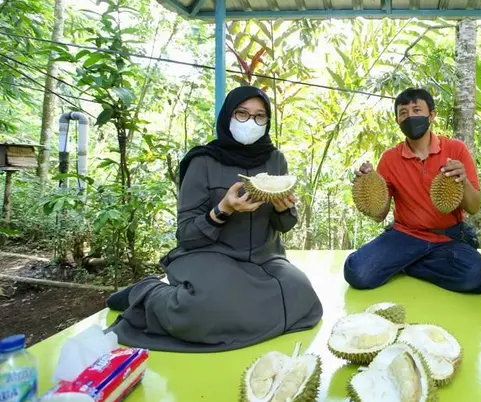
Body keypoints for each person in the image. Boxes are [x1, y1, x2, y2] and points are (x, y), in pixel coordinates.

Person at [104, 86, 323, 353]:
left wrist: (282, 209)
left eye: (259, 116)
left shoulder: (275, 160)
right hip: (211, 254)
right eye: (242, 114)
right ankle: (146, 292)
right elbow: (185, 234)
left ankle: (236, 304)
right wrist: (222, 210)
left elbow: (285, 225)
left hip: (265, 258)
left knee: (303, 298)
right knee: (206, 308)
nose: (251, 122)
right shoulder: (203, 161)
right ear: (228, 116)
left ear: (267, 121)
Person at [344, 88, 481, 294]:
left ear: (431, 115)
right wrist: (369, 185)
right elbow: (380, 215)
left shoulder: (455, 150)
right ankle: (408, 259)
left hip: (446, 239)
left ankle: (405, 264)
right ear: (397, 120)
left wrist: (463, 179)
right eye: (403, 113)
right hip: (404, 236)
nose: (410, 117)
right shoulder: (390, 158)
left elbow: (474, 207)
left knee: (476, 276)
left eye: (417, 110)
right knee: (357, 272)